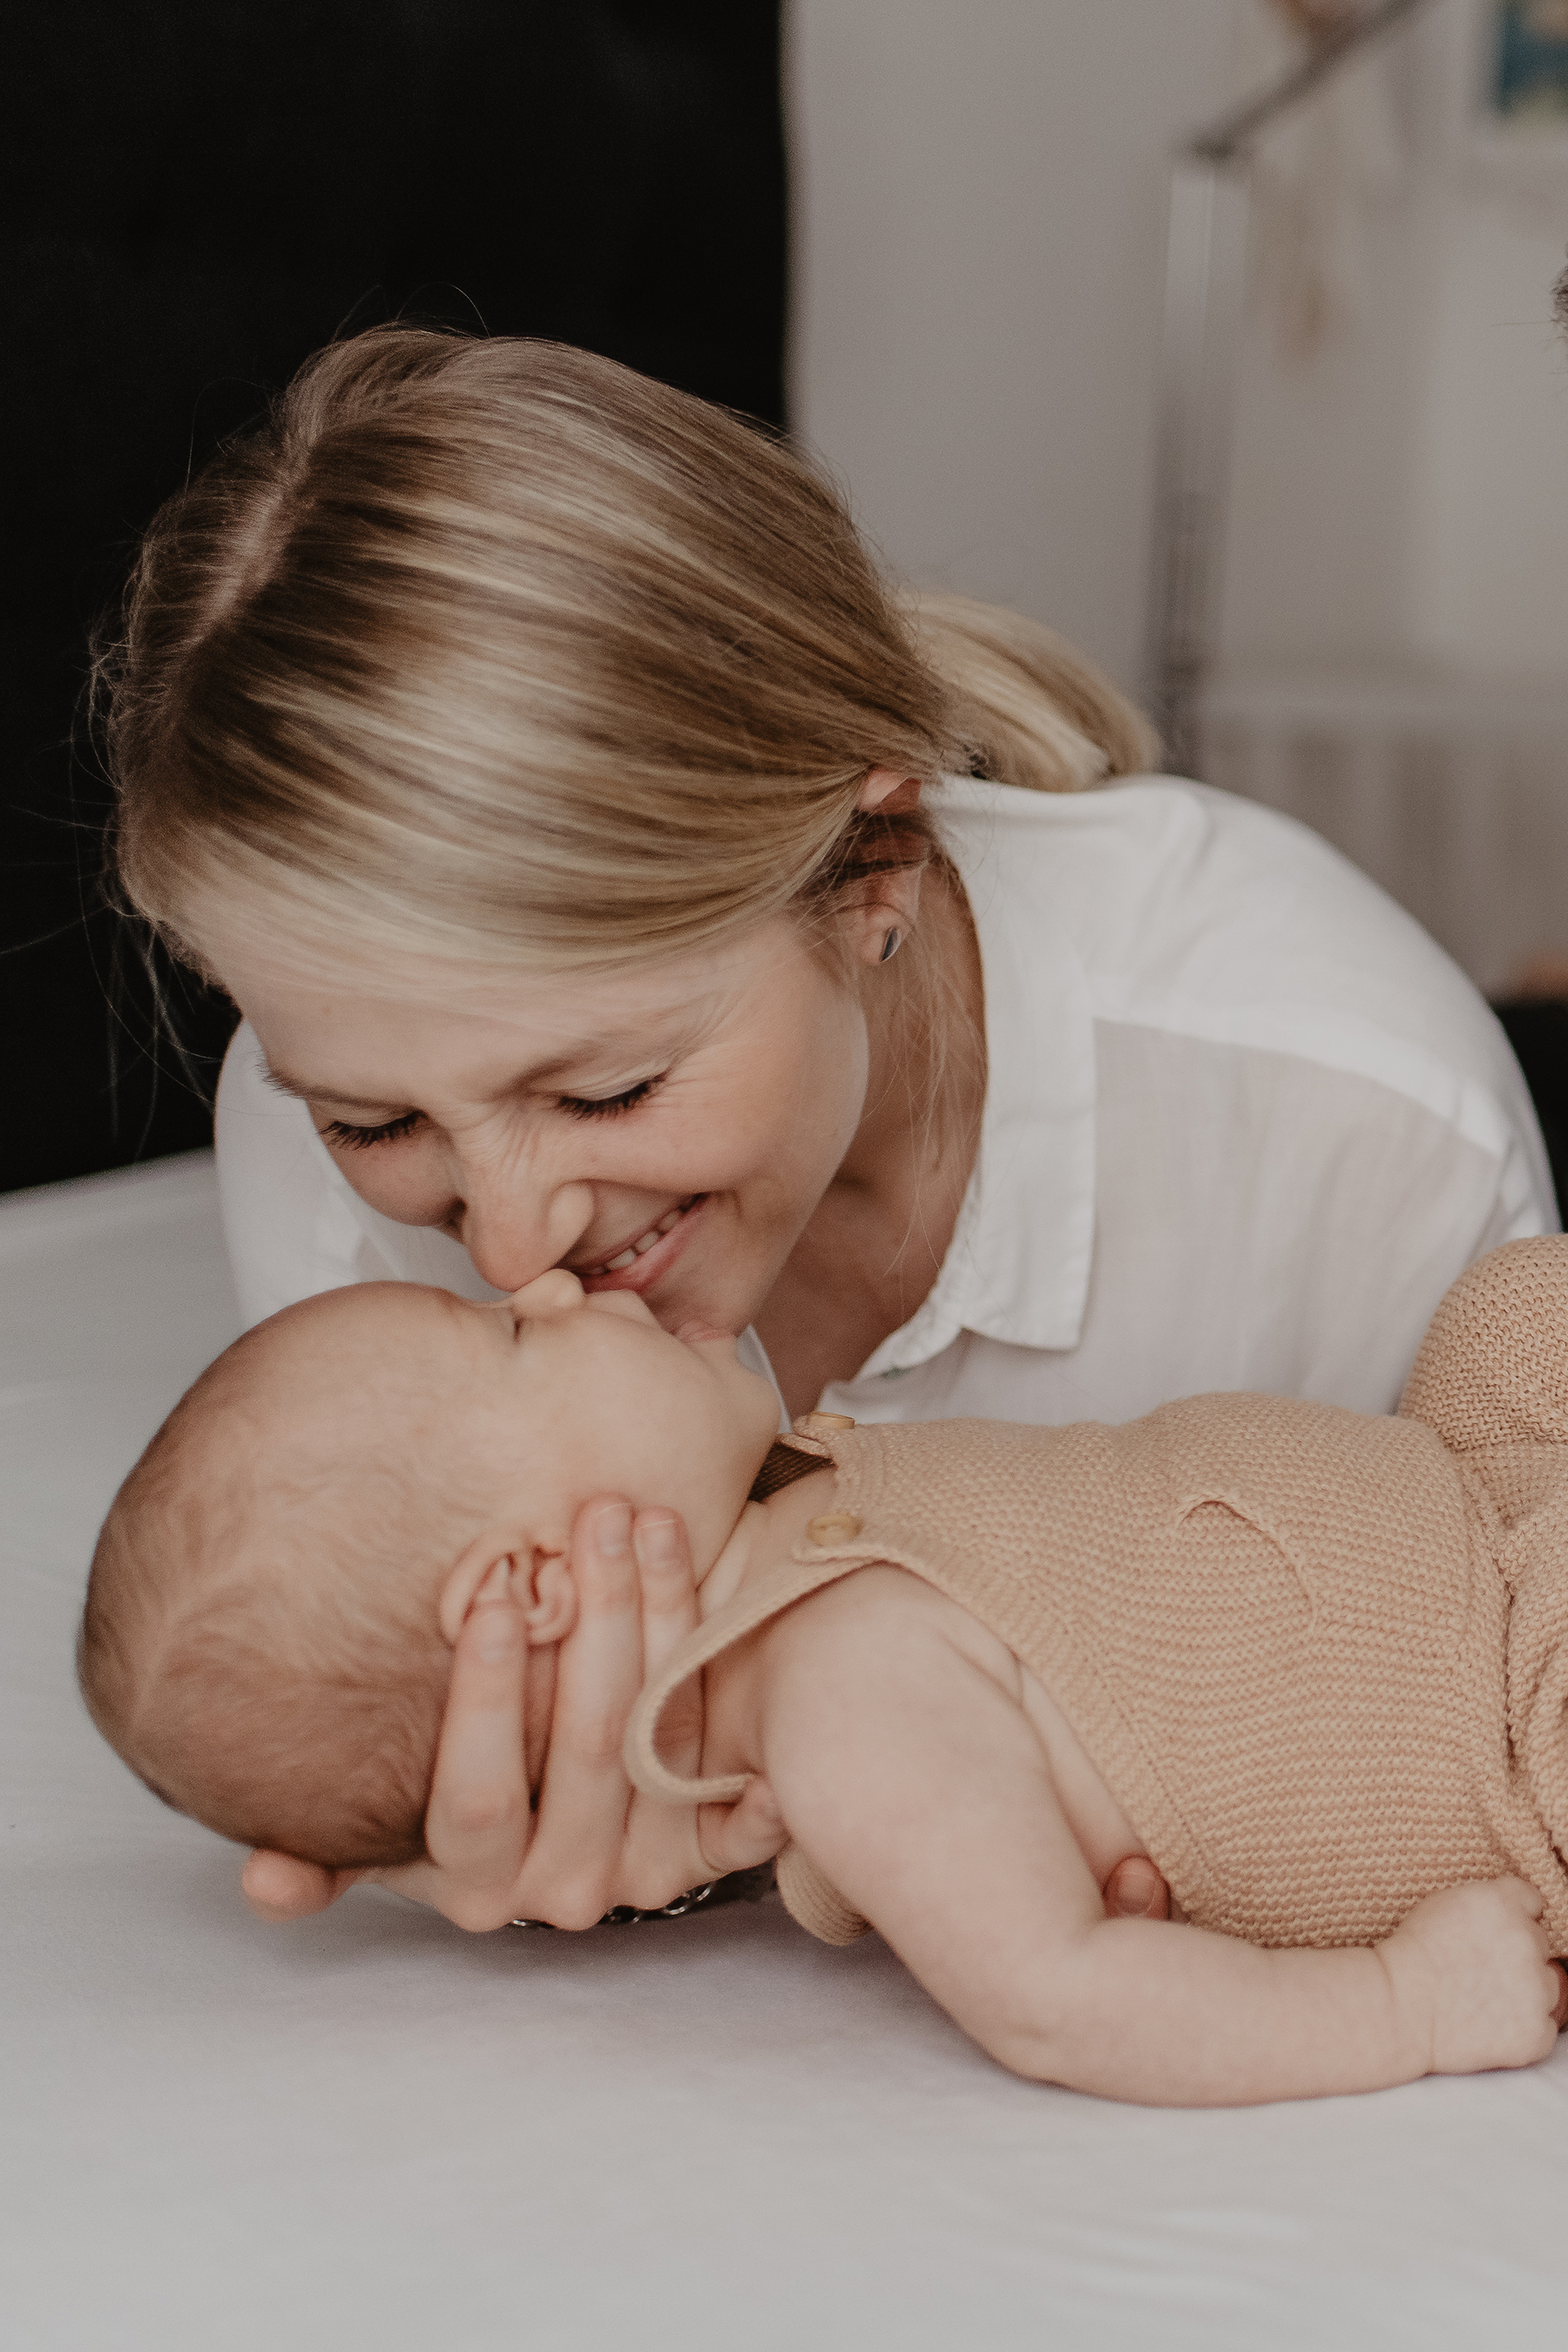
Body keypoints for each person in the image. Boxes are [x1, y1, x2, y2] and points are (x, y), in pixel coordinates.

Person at [99, 326, 1554, 1934]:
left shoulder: (1350, 1132)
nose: (508, 1251)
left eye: (606, 1090)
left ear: (876, 868)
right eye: (379, 1121)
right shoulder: (302, 1163)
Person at [81, 1241, 1568, 2105]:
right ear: (534, 1591)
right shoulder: (835, 1702)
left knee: (1516, 1308)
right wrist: (1404, 2009)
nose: (540, 1276)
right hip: (1500, 1718)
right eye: (510, 1336)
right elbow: (1055, 1991)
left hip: (1470, 1493)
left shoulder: (793, 1510)